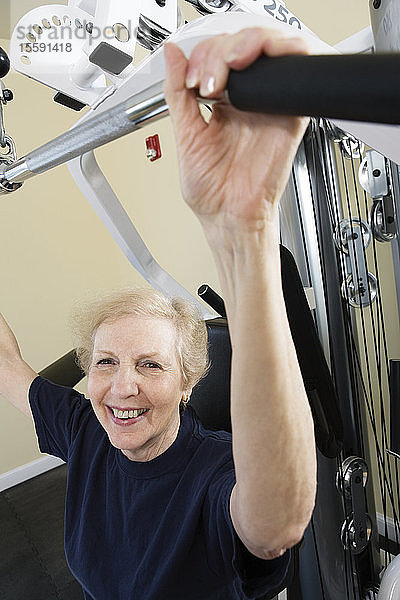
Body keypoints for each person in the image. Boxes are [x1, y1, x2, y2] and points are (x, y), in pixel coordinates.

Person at [0, 27, 317, 600]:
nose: (121, 387)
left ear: (188, 379)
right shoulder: (85, 428)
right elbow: (6, 365)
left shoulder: (214, 471)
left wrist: (246, 233)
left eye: (149, 364)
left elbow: (275, 526)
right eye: (105, 362)